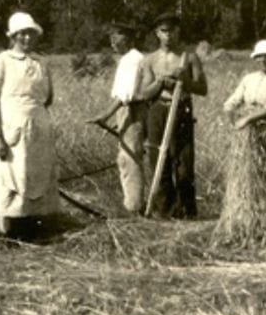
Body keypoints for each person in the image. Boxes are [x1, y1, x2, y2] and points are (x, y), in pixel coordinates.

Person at [0, 12, 61, 236]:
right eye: (22, 34)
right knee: (8, 177)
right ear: (13, 36)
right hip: (11, 127)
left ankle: (32, 226)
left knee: (36, 174)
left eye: (30, 34)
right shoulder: (1, 62)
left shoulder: (41, 63)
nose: (27, 38)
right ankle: (4, 231)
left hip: (38, 126)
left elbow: (48, 98)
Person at [140, 12, 208, 219]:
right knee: (159, 160)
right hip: (158, 110)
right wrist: (160, 82)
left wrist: (185, 80)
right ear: (157, 33)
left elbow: (202, 88)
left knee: (183, 163)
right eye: (164, 31)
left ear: (179, 32)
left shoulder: (189, 57)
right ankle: (164, 211)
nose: (169, 35)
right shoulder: (149, 60)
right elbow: (144, 92)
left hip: (182, 110)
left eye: (173, 31)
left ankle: (186, 212)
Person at [87, 21, 148, 215]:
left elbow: (126, 95)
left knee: (130, 159)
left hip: (134, 112)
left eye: (118, 36)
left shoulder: (133, 59)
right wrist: (118, 119)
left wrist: (104, 115)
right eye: (111, 37)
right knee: (125, 158)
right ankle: (131, 203)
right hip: (126, 114)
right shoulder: (126, 59)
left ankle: (134, 208)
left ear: (129, 38)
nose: (113, 41)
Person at [222, 39, 266, 161]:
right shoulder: (249, 78)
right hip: (248, 133)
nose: (263, 60)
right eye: (259, 56)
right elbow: (232, 101)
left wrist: (247, 119)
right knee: (248, 163)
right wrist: (232, 119)